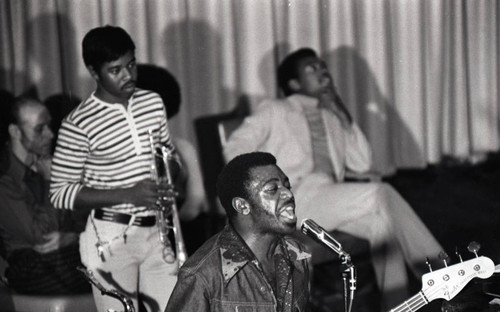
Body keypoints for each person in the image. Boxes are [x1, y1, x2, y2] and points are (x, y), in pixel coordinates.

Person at [223, 47, 443, 310]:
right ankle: (441, 271)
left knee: (380, 225)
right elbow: (235, 148)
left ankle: (396, 304)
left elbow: (362, 162)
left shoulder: (330, 114)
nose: (322, 71)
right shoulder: (275, 109)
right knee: (380, 192)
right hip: (295, 196)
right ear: (294, 84)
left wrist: (341, 111)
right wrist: (267, 188)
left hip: (327, 197)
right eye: (312, 69)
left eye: (323, 66)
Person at [49, 25, 181, 312]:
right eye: (115, 69)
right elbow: (60, 193)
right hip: (111, 237)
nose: (128, 76)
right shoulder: (78, 123)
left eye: (131, 65)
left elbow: (169, 154)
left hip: (157, 231)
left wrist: (172, 174)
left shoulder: (152, 102)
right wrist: (129, 194)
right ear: (94, 72)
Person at [166, 152, 311, 312]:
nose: (289, 194)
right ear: (242, 206)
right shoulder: (203, 275)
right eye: (272, 189)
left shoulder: (297, 255)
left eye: (287, 186)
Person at [0, 96, 89, 294]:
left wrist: (74, 237)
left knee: (114, 252)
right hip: (32, 265)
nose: (50, 134)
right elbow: (42, 236)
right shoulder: (5, 178)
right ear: (15, 131)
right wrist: (51, 182)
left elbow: (83, 217)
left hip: (66, 255)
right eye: (40, 129)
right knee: (108, 260)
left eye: (49, 125)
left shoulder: (48, 164)